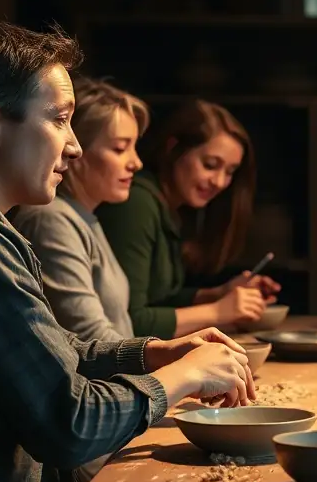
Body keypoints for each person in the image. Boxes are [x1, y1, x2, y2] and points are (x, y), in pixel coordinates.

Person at [0, 17, 255, 482]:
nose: (74, 148)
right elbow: (69, 422)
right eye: (61, 120)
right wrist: (186, 377)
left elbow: (56, 352)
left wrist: (153, 353)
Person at [97, 99, 280, 339]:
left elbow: (159, 299)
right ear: (173, 148)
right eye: (210, 165)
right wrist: (217, 311)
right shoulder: (136, 204)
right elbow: (129, 322)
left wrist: (218, 294)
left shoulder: (172, 207)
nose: (220, 182)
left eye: (230, 171)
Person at [12, 77, 150, 342]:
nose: (136, 162)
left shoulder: (84, 218)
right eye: (120, 148)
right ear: (76, 149)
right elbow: (90, 338)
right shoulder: (51, 220)